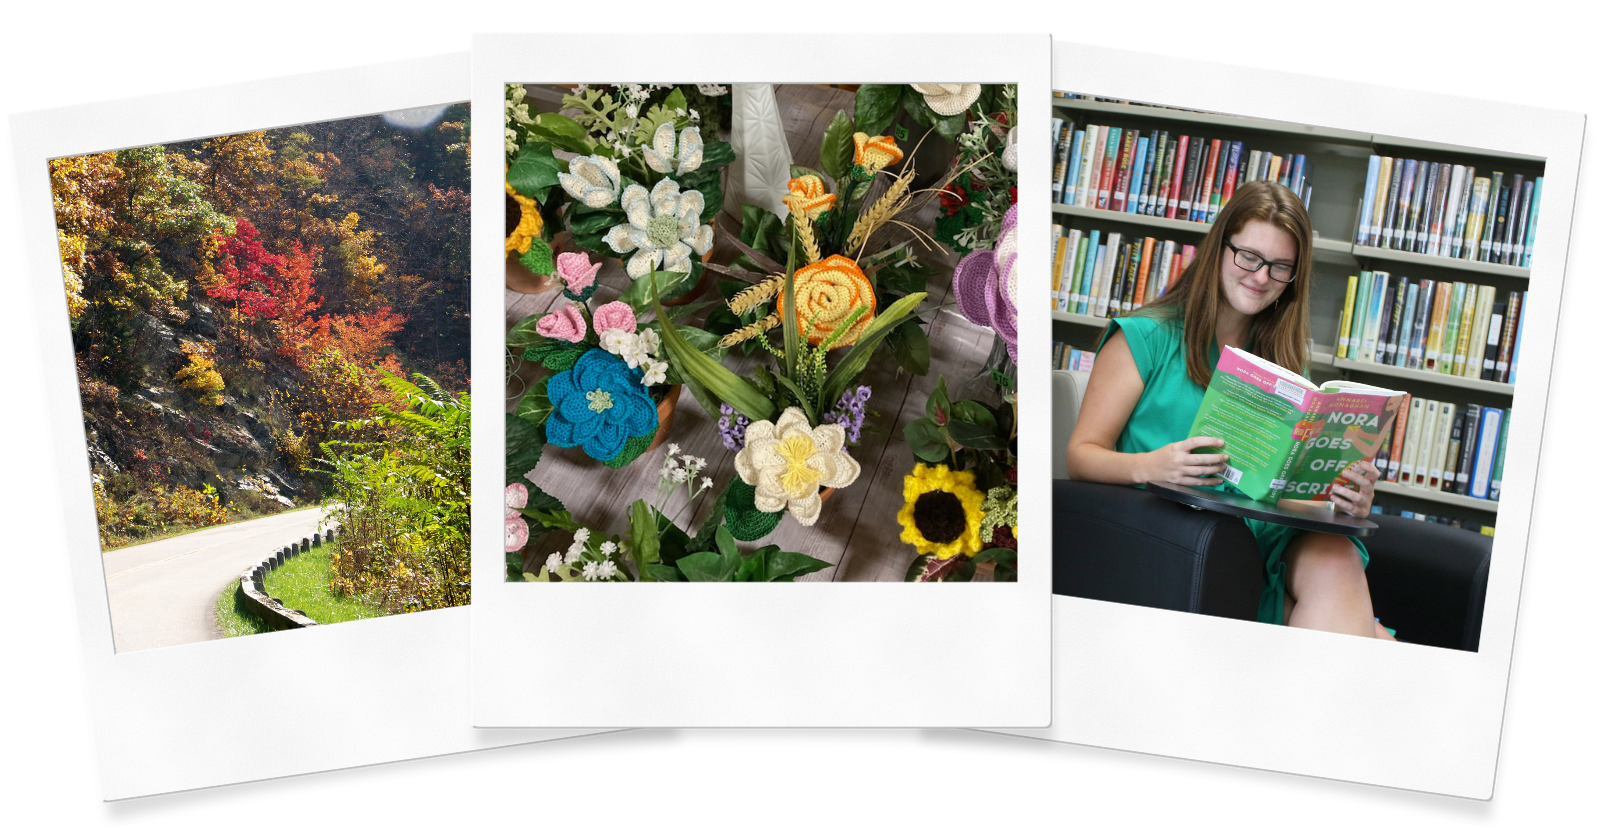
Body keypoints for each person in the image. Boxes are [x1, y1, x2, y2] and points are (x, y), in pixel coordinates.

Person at [1066, 180, 1393, 640]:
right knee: (1374, 643)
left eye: (1280, 268)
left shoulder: (1283, 362)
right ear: (1219, 247)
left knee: (1338, 553)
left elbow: (1271, 488)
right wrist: (1153, 465)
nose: (1261, 278)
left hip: (1259, 534)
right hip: (1183, 537)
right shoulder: (1144, 337)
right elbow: (1080, 454)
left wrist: (1340, 497)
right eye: (1250, 257)